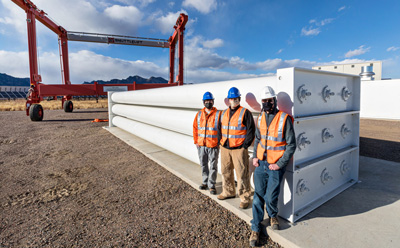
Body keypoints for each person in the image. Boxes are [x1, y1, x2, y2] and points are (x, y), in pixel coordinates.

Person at [249, 86, 296, 247]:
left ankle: (272, 215)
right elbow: (258, 139)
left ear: (275, 101)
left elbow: (291, 145)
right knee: (257, 197)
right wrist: (255, 156)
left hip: (276, 165)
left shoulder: (285, 118)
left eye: (269, 101)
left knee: (271, 196)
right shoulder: (261, 117)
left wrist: (280, 164)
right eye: (264, 101)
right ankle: (255, 228)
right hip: (261, 163)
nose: (267, 103)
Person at [217, 87, 255, 209]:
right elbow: (219, 129)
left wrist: (245, 145)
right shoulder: (223, 113)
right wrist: (220, 142)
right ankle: (228, 192)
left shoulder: (245, 112)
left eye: (235, 98)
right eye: (231, 98)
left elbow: (251, 130)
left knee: (242, 173)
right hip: (225, 147)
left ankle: (244, 197)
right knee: (225, 171)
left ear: (239, 99)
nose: (233, 100)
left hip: (239, 148)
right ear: (228, 100)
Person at [193, 91, 221, 195]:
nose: (208, 102)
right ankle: (205, 182)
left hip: (213, 145)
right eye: (206, 101)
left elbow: (222, 129)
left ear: (213, 101)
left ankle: (211, 185)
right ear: (203, 102)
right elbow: (195, 128)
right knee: (203, 165)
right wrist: (196, 141)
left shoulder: (218, 114)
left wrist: (219, 142)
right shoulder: (199, 114)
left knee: (213, 166)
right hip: (201, 145)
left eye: (210, 100)